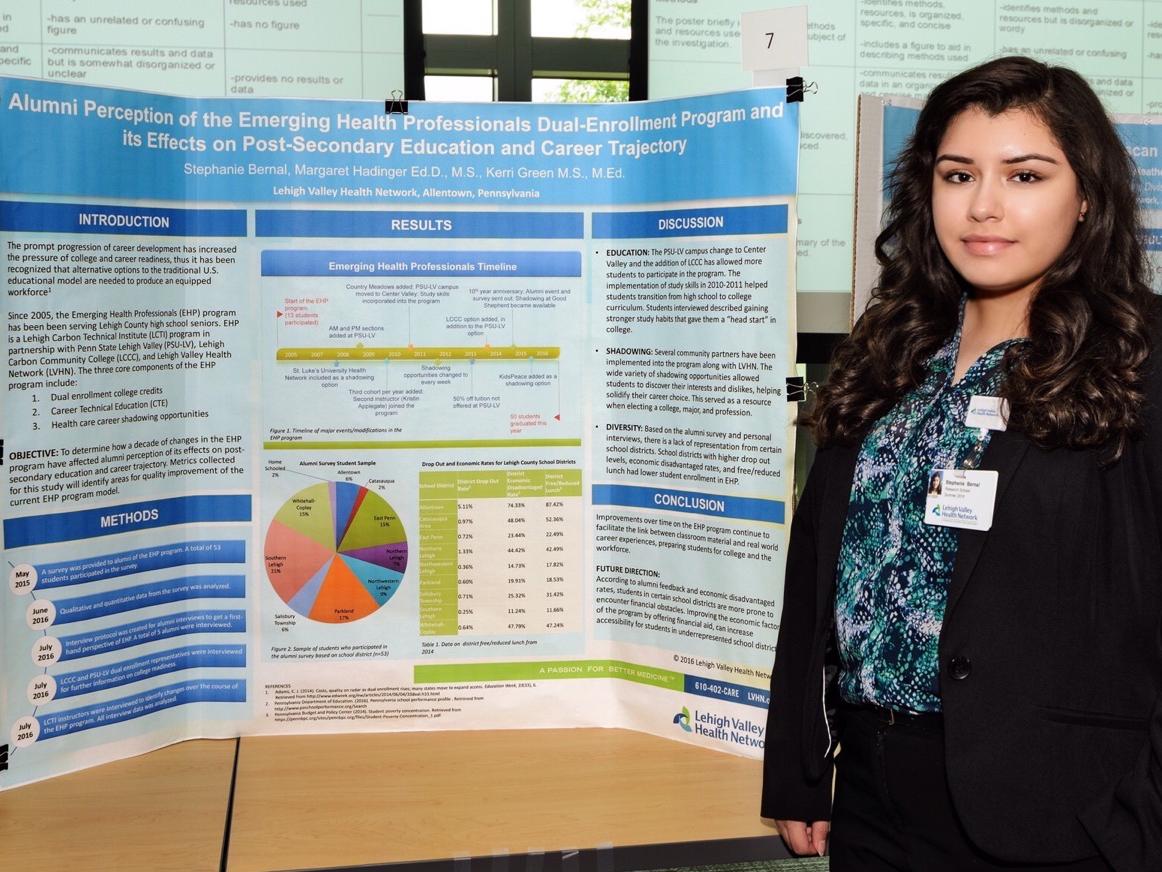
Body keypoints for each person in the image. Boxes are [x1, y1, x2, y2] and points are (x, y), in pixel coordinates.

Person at [761, 56, 1162, 871]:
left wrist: (1141, 817)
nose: (984, 205)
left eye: (1025, 175)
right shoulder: (890, 351)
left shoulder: (1138, 359)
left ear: (1087, 196)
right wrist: (798, 767)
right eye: (958, 174)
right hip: (872, 792)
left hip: (1061, 809)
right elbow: (816, 573)